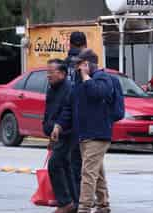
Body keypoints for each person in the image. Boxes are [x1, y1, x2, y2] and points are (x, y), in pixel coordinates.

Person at [53, 49, 114, 213]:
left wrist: (87, 77)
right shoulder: (78, 84)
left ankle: (84, 211)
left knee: (87, 173)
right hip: (85, 134)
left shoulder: (103, 79)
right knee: (97, 173)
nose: (76, 68)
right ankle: (103, 208)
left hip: (98, 134)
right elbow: (70, 107)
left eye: (79, 64)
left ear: (87, 64)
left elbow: (99, 93)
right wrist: (59, 125)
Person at [43, 59, 78, 213]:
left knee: (55, 164)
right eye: (47, 72)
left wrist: (58, 127)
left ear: (62, 73)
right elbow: (49, 112)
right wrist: (48, 129)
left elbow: (67, 113)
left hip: (67, 132)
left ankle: (65, 202)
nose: (48, 75)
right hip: (56, 133)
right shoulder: (52, 89)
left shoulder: (69, 89)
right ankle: (73, 202)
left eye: (51, 72)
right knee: (64, 165)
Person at [64, 31, 87, 202]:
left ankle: (73, 197)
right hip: (83, 118)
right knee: (82, 162)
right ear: (84, 45)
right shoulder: (87, 64)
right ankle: (81, 198)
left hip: (66, 118)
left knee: (70, 161)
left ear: (70, 44)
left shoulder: (64, 65)